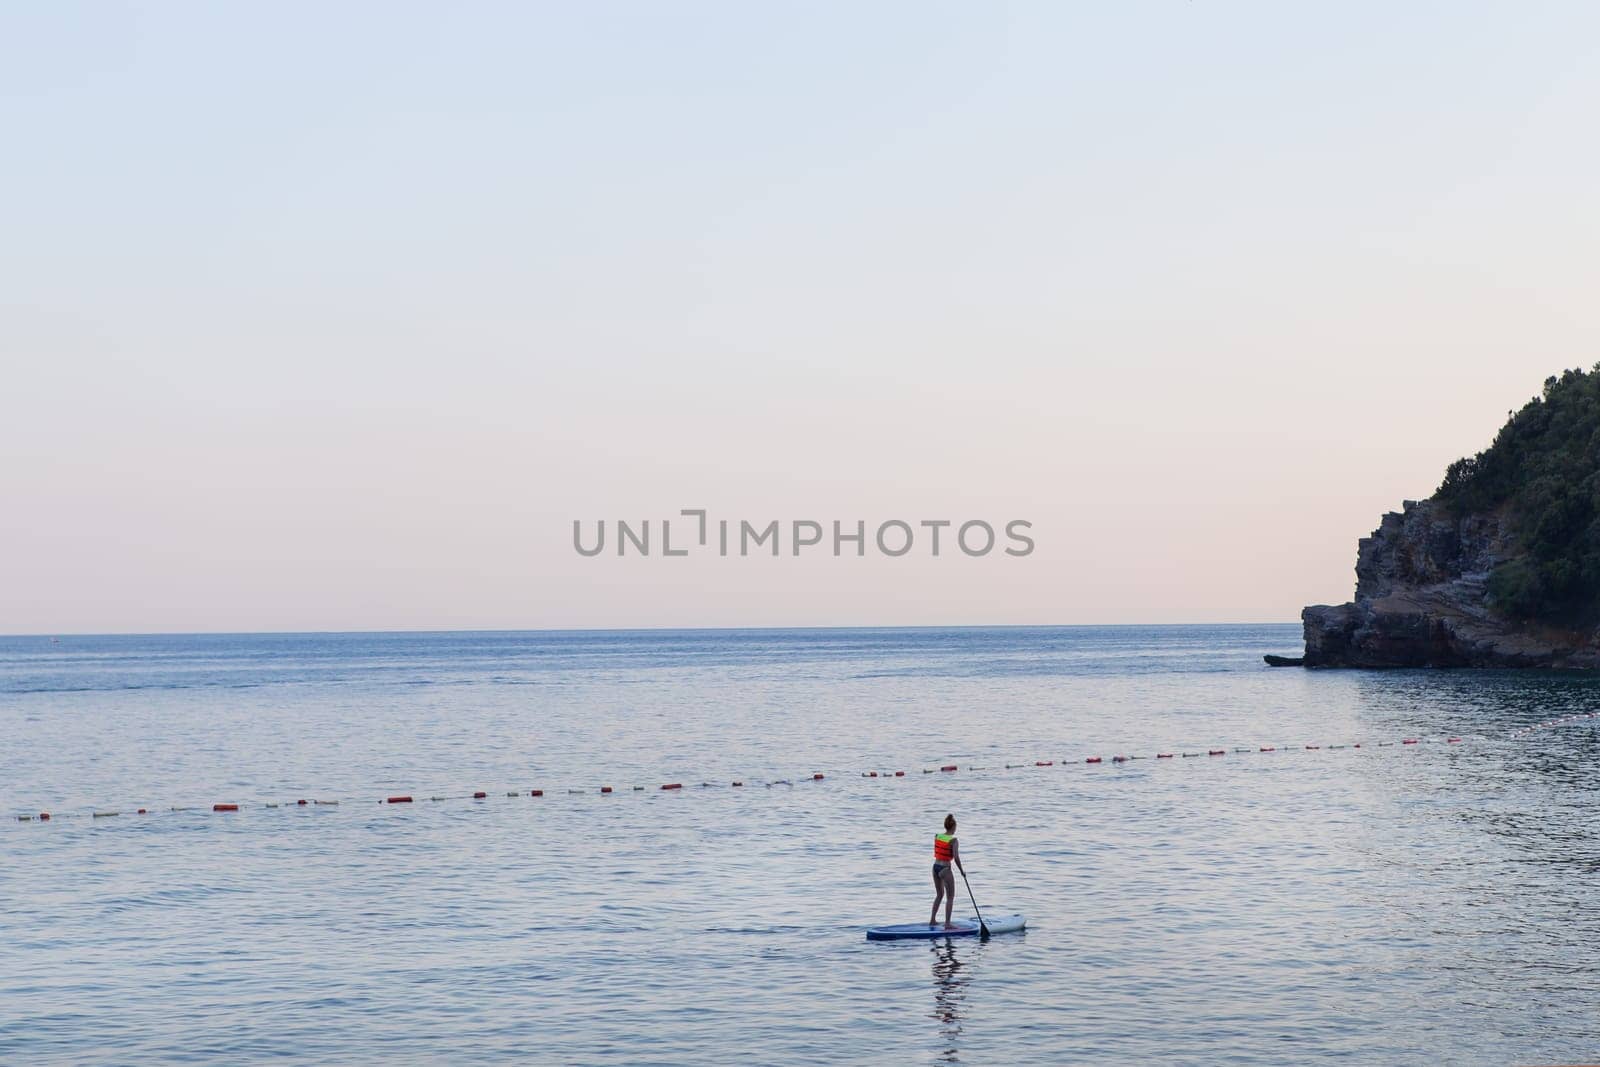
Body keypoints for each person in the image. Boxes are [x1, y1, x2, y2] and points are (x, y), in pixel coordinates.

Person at [929, 813, 964, 929]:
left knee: (939, 894)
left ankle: (932, 920)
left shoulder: (937, 836)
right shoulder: (954, 841)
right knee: (950, 897)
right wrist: (962, 871)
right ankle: (948, 924)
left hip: (935, 867)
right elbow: (956, 857)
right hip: (945, 869)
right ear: (953, 827)